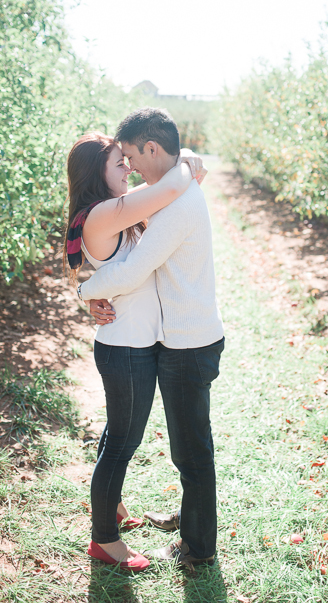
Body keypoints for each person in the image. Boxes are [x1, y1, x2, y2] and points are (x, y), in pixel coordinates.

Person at [77, 107, 226, 570]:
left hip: (186, 345)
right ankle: (186, 525)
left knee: (190, 450)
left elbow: (136, 269)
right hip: (166, 341)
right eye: (119, 161)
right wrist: (186, 161)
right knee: (171, 443)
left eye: (130, 157)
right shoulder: (160, 196)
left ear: (152, 149)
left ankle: (197, 547)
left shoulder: (173, 204)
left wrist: (83, 289)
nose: (130, 167)